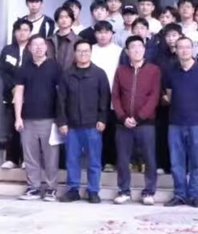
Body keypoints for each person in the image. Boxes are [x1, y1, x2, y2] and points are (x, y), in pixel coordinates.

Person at [57, 40, 111, 203]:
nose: (83, 54)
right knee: (72, 160)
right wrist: (62, 122)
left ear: (91, 53)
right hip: (72, 126)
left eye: (86, 51)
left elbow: (105, 98)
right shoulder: (67, 74)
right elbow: (61, 100)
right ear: (74, 53)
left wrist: (102, 119)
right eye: (80, 51)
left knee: (94, 160)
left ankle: (93, 191)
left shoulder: (99, 74)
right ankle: (73, 190)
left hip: (93, 125)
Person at [163, 36, 198, 207]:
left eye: (187, 47)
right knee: (176, 162)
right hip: (175, 122)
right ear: (176, 50)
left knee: (197, 162)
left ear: (192, 49)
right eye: (180, 47)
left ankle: (195, 195)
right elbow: (169, 95)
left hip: (197, 122)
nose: (184, 50)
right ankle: (180, 194)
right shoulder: (171, 71)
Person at [112, 35, 161, 205]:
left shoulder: (153, 70)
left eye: (140, 46)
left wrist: (139, 117)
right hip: (123, 123)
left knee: (149, 158)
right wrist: (123, 117)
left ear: (144, 49)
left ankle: (149, 192)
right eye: (133, 47)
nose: (137, 50)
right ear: (127, 51)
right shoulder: (121, 71)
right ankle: (124, 190)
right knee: (123, 159)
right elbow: (115, 96)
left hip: (145, 123)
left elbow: (154, 96)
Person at [13, 35, 61, 201]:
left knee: (51, 156)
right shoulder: (24, 68)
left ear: (46, 47)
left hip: (50, 119)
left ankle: (51, 188)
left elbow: (61, 94)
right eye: (35, 45)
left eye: (42, 44)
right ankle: (33, 187)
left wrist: (60, 118)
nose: (39, 47)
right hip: (28, 119)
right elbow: (18, 93)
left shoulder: (55, 67)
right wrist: (18, 117)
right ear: (29, 48)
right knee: (30, 156)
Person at [0, 18, 32, 169]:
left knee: (28, 127)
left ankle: (26, 158)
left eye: (25, 30)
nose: (22, 33)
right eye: (19, 30)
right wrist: (14, 88)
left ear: (30, 32)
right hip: (11, 95)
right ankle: (11, 158)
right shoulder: (7, 50)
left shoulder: (33, 50)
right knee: (12, 127)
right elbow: (3, 71)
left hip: (29, 95)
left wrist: (24, 89)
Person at [90, 20, 122, 172]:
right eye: (99, 32)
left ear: (111, 34)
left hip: (113, 94)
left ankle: (110, 160)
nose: (103, 36)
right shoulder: (90, 49)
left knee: (111, 129)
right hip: (92, 96)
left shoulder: (119, 51)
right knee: (95, 130)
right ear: (95, 34)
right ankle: (97, 160)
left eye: (106, 32)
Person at [154, 23, 183, 174]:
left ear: (180, 36)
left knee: (178, 135)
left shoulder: (184, 55)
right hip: (162, 100)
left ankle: (176, 164)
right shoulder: (159, 56)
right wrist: (162, 95)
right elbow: (155, 77)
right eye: (168, 36)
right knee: (162, 133)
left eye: (174, 35)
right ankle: (161, 163)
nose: (171, 39)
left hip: (180, 101)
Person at [47, 6, 78, 71]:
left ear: (72, 20)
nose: (64, 20)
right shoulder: (48, 40)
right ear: (56, 21)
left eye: (67, 17)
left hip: (71, 75)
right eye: (61, 17)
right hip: (50, 75)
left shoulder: (78, 41)